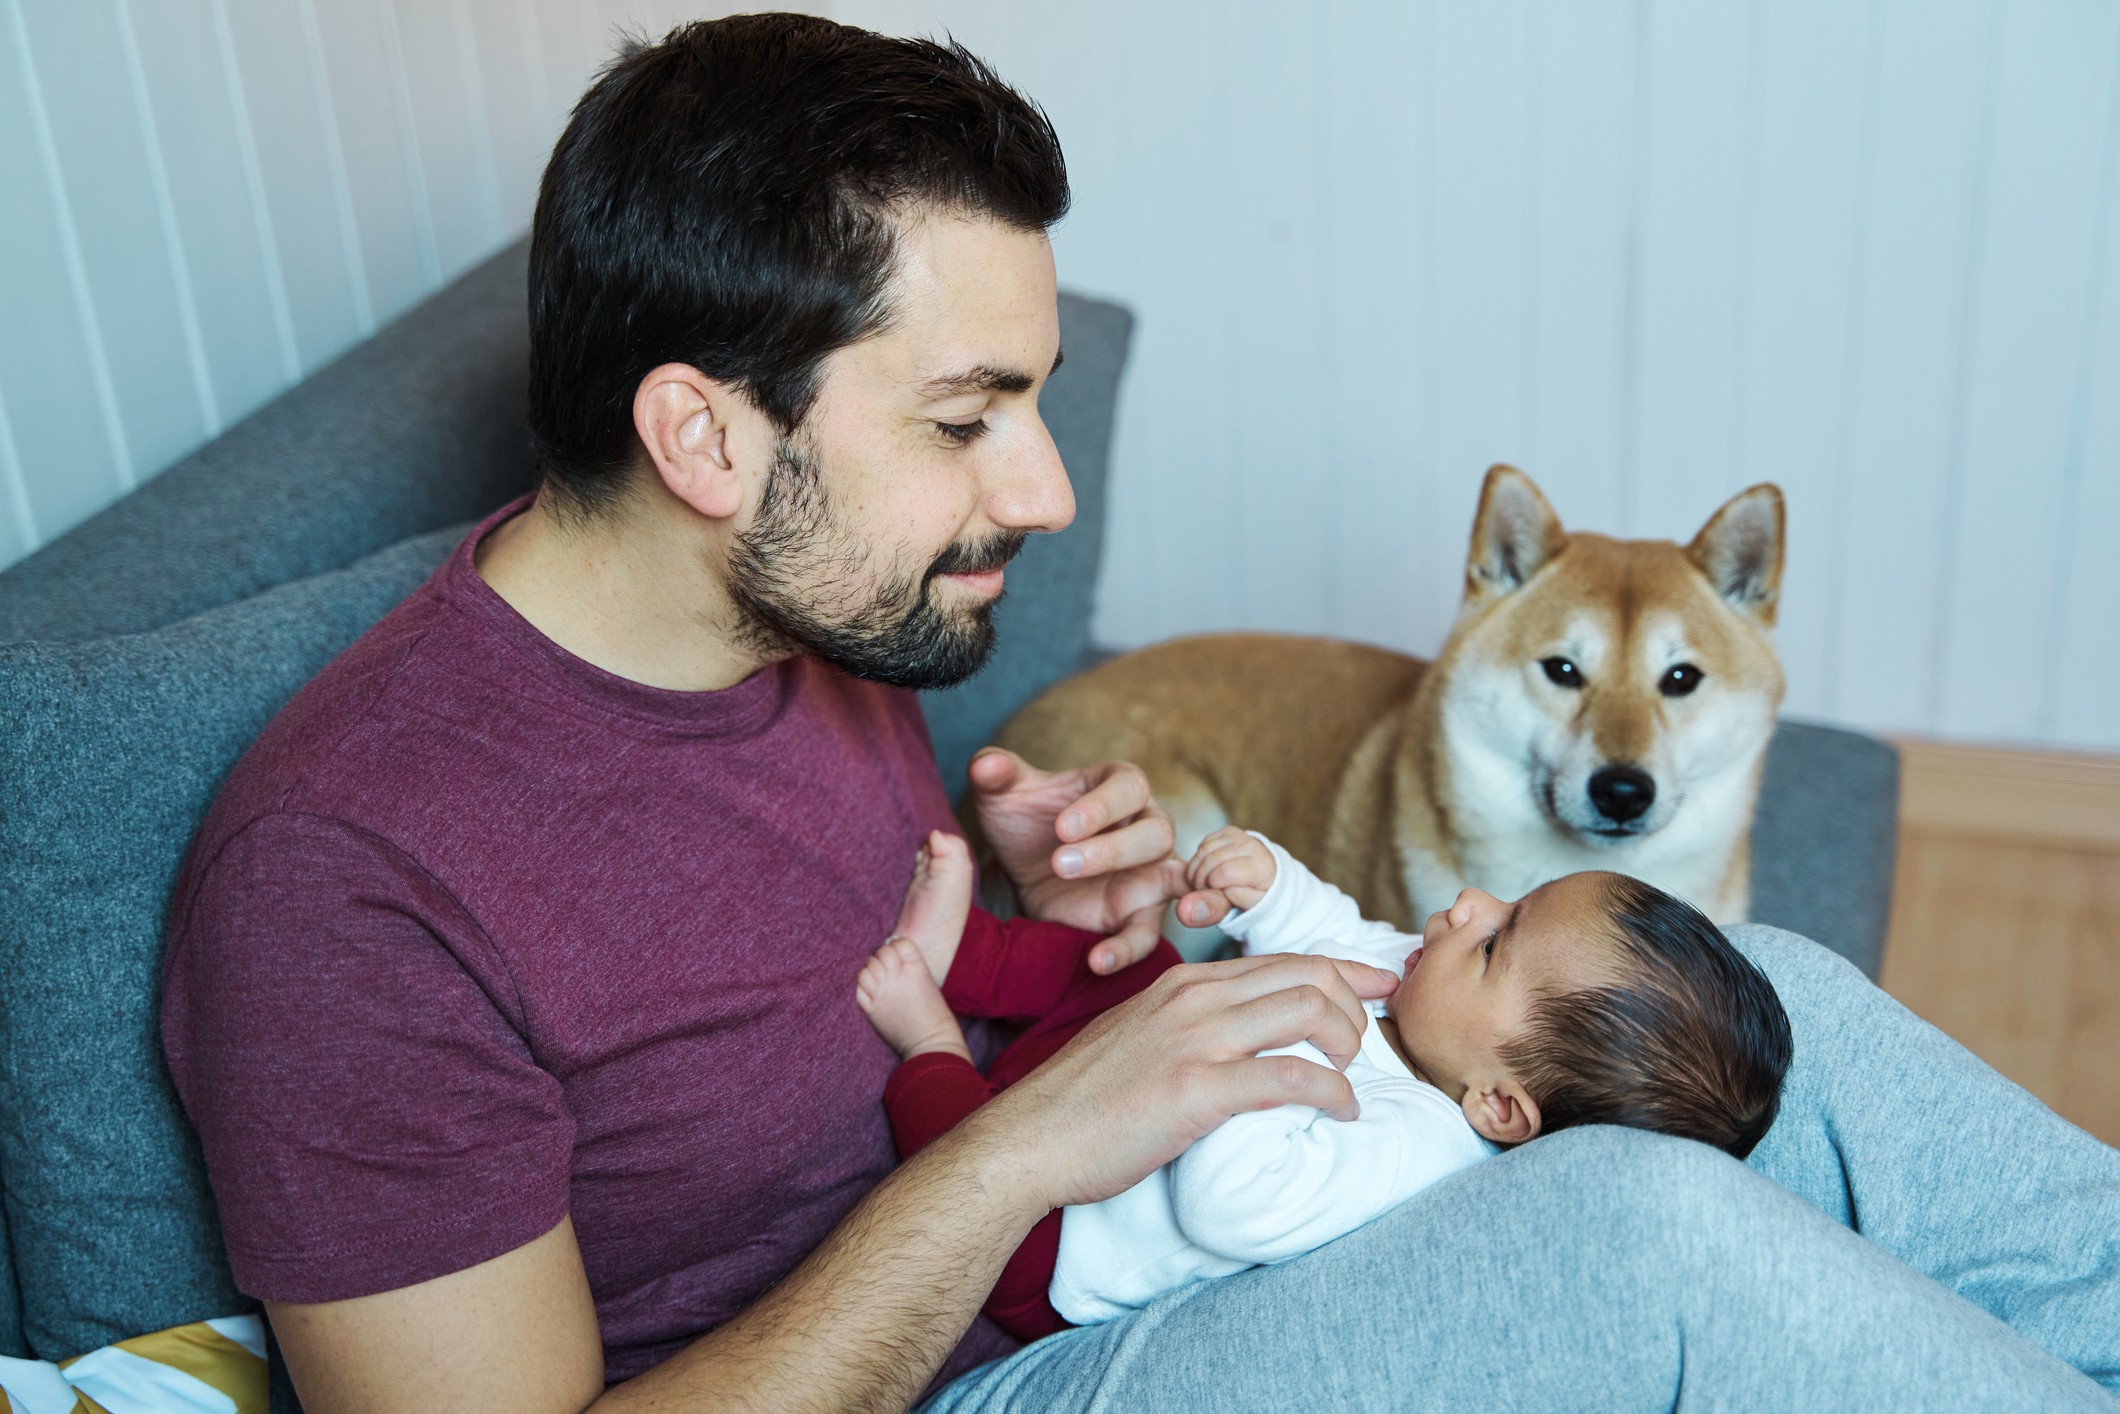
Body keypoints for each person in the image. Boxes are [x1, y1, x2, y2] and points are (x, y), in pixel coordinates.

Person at [158, 14, 2120, 1412]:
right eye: (965, 418)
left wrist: (1027, 883)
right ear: (701, 433)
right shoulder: (343, 886)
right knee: (1644, 1234)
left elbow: (815, 954)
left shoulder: (803, 627)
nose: (1045, 492)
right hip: (983, 1345)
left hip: (1125, 1203)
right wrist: (1012, 1153)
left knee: (1754, 989)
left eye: (1031, 398)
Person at [858, 828, 1791, 1337]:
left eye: (1496, 941)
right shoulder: (1427, 990)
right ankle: (966, 951)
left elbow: (1236, 1209)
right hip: (1119, 1056)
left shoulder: (1414, 1144)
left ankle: (929, 1043)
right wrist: (1269, 886)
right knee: (1127, 968)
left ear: (1499, 1106)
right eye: (1510, 901)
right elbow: (1331, 926)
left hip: (1069, 1237)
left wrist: (1267, 1052)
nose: (1469, 905)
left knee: (972, 1175)